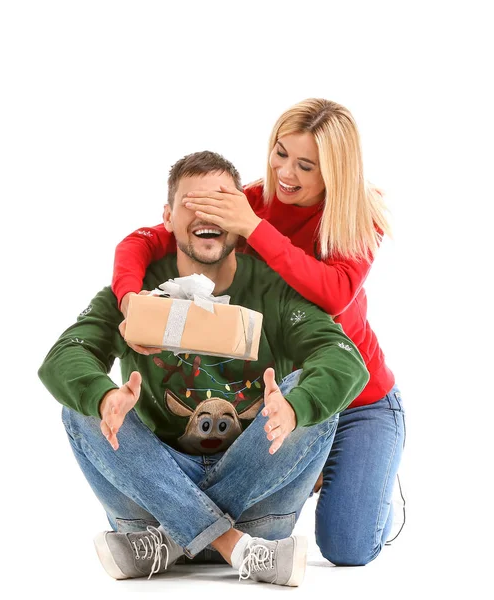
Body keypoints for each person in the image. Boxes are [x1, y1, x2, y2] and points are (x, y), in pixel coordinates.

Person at [38, 150, 369, 586]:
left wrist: (294, 408)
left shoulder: (275, 288)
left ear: (241, 214)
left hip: (235, 512)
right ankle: (233, 546)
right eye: (192, 203)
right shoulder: (138, 293)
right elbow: (64, 356)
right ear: (167, 218)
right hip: (179, 509)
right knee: (80, 406)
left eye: (220, 201)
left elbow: (344, 360)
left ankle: (176, 538)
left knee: (309, 394)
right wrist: (105, 396)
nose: (206, 213)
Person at [111, 99, 406, 566]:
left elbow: (332, 295)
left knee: (349, 547)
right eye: (279, 152)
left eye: (305, 165)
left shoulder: (356, 218)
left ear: (335, 172)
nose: (285, 172)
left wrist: (255, 228)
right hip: (279, 393)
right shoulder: (250, 199)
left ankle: (368, 492)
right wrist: (130, 299)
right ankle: (227, 531)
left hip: (358, 399)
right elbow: (144, 241)